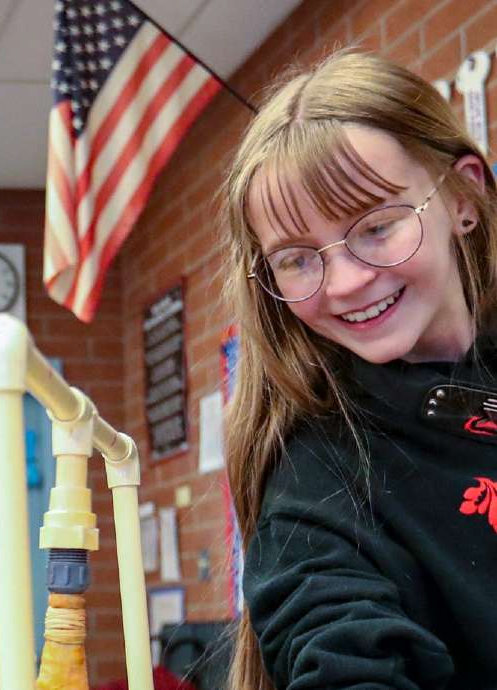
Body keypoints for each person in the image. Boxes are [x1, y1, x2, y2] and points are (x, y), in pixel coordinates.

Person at [221, 50, 497, 689]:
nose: (345, 282)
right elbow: (340, 652)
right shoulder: (318, 480)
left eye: (376, 227)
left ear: (463, 196)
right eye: (296, 258)